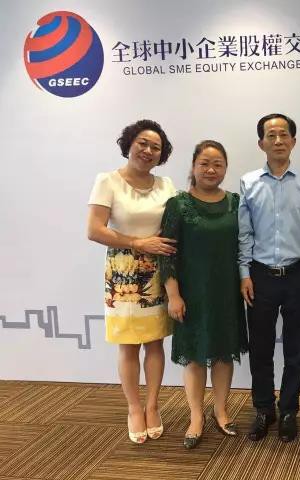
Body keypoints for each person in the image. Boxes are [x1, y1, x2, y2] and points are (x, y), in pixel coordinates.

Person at [238, 113, 300, 443]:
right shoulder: (248, 182)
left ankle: (289, 410)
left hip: (298, 277)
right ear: (261, 143)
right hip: (260, 277)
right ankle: (264, 410)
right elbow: (245, 234)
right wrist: (244, 274)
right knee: (260, 350)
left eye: (283, 134)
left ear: (293, 140)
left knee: (295, 350)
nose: (278, 140)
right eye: (271, 135)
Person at [87, 119, 176, 444]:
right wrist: (138, 243)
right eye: (143, 143)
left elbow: (174, 227)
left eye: (156, 147)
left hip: (157, 271)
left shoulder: (166, 185)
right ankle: (134, 408)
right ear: (129, 144)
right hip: (123, 272)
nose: (148, 151)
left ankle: (153, 406)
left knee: (155, 343)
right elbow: (94, 230)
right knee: (128, 345)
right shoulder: (107, 181)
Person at [158, 140, 248, 449]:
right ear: (194, 167)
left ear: (225, 168)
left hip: (227, 292)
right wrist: (173, 295)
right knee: (195, 357)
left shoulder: (236, 202)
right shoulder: (178, 204)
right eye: (204, 164)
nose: (211, 170)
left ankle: (221, 411)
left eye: (217, 164)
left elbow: (245, 247)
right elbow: (167, 254)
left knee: (223, 354)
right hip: (191, 293)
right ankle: (196, 416)